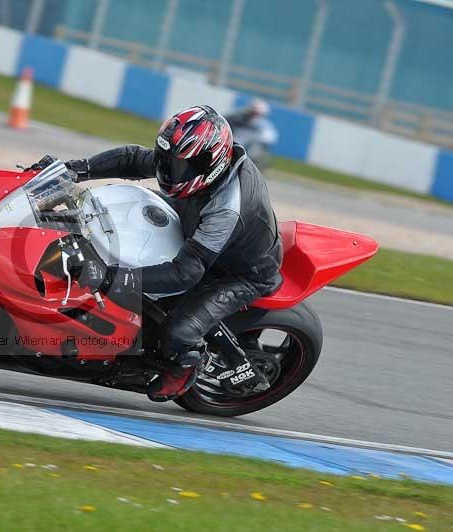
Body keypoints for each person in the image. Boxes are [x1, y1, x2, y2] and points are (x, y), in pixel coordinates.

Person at [31, 105, 282, 401]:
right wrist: (73, 170)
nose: (170, 170)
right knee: (112, 213)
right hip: (193, 223)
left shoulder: (226, 207)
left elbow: (185, 274)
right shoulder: (193, 160)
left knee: (178, 329)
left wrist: (109, 278)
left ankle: (188, 360)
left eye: (180, 166)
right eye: (168, 160)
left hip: (241, 273)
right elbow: (133, 159)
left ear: (208, 163)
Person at [225, 99, 278, 169]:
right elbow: (226, 122)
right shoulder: (237, 117)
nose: (254, 115)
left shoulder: (264, 125)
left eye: (256, 113)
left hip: (248, 146)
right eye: (253, 112)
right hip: (232, 142)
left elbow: (270, 138)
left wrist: (256, 142)